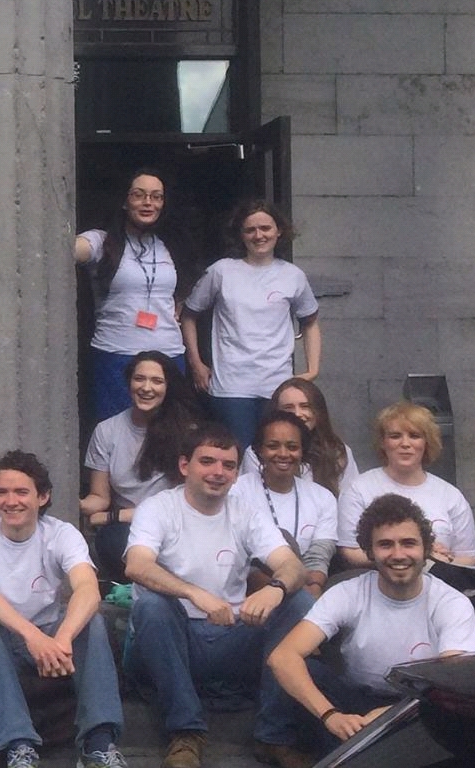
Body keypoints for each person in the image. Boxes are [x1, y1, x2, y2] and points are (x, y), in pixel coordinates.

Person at [123, 424, 313, 768]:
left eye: (228, 465)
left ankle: (273, 736)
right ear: (184, 466)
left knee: (298, 603)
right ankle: (185, 734)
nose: (218, 472)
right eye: (207, 462)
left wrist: (274, 589)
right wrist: (195, 593)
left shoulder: (247, 511)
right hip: (166, 641)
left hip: (228, 636)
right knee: (151, 605)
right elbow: (137, 565)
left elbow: (292, 566)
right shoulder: (158, 508)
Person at [0, 454, 137, 768]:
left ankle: (99, 745)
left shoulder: (61, 534)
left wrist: (61, 639)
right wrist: (34, 637)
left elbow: (86, 588)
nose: (10, 501)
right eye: (2, 492)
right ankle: (20, 749)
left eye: (21, 492)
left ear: (43, 497)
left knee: (92, 622)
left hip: (46, 643)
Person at [264, 494, 475, 768]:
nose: (398, 554)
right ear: (369, 551)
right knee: (308, 671)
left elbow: (454, 684)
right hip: (354, 705)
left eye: (408, 543)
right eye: (385, 544)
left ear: (426, 549)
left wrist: (395, 713)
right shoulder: (347, 592)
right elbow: (282, 656)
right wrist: (331, 715)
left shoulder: (452, 603)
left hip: (420, 706)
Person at [180, 199, 321, 453]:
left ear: (278, 231)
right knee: (238, 457)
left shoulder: (293, 275)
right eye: (250, 230)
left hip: (277, 385)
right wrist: (197, 364)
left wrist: (311, 370)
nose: (259, 235)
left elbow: (310, 322)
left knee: (277, 454)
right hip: (231, 387)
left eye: (265, 228)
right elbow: (189, 315)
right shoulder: (222, 271)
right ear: (241, 235)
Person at [74, 169, 193, 420]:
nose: (148, 202)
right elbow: (72, 250)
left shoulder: (172, 244)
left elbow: (183, 287)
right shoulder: (102, 241)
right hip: (116, 353)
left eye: (156, 196)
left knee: (170, 435)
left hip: (168, 353)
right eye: (139, 195)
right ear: (124, 201)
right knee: (116, 435)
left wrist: (178, 306)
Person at [80, 351, 195, 582]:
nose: (146, 387)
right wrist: (71, 505)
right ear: (129, 382)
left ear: (168, 386)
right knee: (112, 542)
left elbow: (187, 501)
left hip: (173, 523)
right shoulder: (106, 430)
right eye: (139, 378)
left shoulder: (187, 433)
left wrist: (113, 516)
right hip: (127, 530)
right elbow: (99, 497)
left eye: (157, 381)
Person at [336, 401, 475, 568]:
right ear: (383, 442)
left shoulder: (451, 495)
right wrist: (419, 557)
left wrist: (441, 562)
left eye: (414, 435)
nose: (405, 444)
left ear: (427, 442)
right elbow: (350, 551)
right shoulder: (358, 489)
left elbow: (469, 559)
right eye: (395, 436)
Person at [230, 411, 338, 588]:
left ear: (303, 450)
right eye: (273, 446)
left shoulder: (323, 497)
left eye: (292, 447)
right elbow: (241, 559)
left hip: (305, 586)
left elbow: (318, 556)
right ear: (259, 450)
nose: (283, 453)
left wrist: (313, 589)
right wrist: (281, 589)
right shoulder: (236, 492)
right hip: (251, 588)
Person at [240, 376, 359, 493]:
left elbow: (349, 498)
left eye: (305, 406)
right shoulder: (256, 453)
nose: (297, 414)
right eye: (288, 407)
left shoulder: (338, 451)